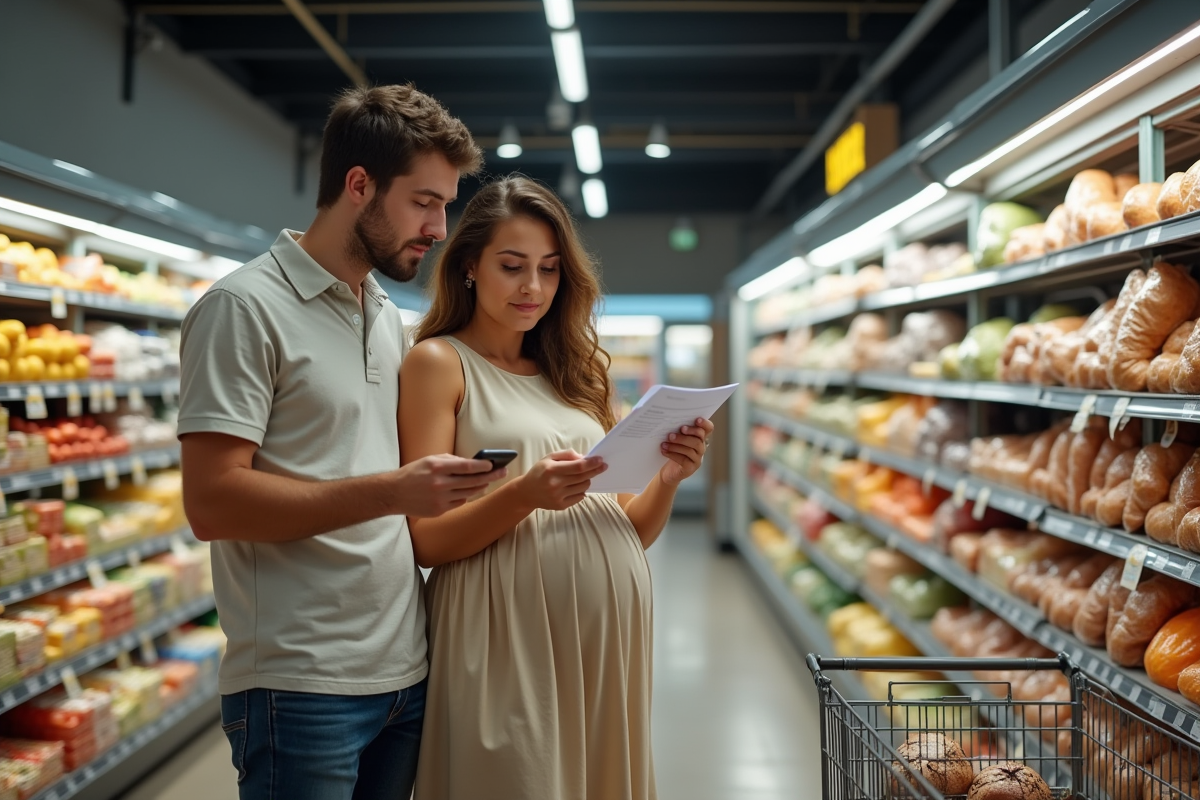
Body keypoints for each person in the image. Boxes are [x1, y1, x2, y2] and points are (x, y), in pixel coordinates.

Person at [177, 84, 506, 800]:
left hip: (406, 671)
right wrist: (396, 491)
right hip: (301, 685)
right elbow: (212, 503)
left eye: (445, 204)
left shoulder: (388, 316)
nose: (440, 226)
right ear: (359, 186)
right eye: (424, 202)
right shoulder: (242, 309)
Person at [402, 175, 715, 800]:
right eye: (512, 266)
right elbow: (427, 540)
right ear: (468, 267)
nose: (533, 288)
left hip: (604, 638)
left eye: (549, 269)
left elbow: (632, 529)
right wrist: (524, 494)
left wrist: (670, 478)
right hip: (501, 630)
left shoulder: (579, 372)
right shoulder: (439, 364)